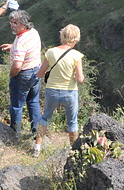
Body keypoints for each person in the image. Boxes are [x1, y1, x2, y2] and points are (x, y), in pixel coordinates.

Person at [33, 24, 85, 157]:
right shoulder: (76, 55)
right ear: (75, 39)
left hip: (52, 91)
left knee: (45, 118)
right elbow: (80, 79)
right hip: (69, 92)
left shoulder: (51, 52)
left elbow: (40, 74)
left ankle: (37, 147)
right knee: (72, 121)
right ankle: (73, 151)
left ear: (62, 36)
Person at [0, 10, 42, 139]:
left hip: (23, 75)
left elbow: (17, 65)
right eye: (11, 22)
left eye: (16, 23)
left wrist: (12, 75)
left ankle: (15, 134)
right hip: (36, 71)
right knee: (33, 102)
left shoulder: (20, 42)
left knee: (17, 106)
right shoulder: (33, 32)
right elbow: (27, 47)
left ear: (24, 24)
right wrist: (12, 47)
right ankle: (37, 133)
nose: (12, 25)